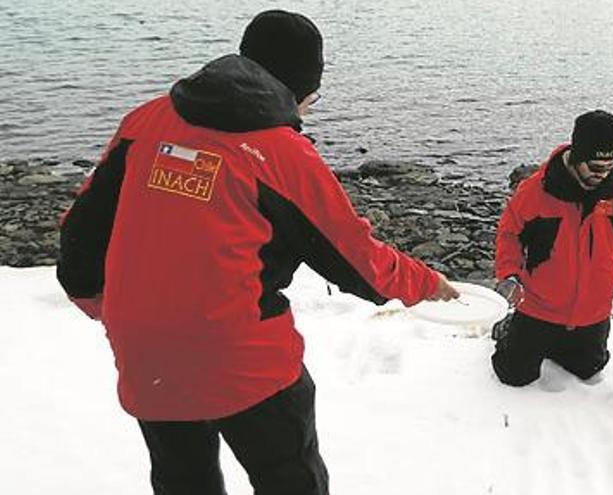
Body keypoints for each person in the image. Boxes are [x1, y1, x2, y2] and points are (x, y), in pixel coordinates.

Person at [56, 10, 459, 495]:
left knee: (182, 479)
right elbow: (357, 262)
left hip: (146, 354)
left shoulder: (147, 119)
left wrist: (114, 309)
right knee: (289, 478)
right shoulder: (282, 154)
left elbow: (80, 230)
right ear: (301, 89)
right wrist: (427, 283)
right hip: (243, 361)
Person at [491, 110, 613, 387]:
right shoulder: (536, 190)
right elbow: (510, 235)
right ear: (577, 155)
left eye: (610, 165)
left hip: (593, 311)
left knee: (589, 369)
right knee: (514, 375)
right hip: (540, 308)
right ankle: (509, 329)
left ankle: (562, 345)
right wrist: (508, 275)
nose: (602, 175)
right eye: (594, 167)